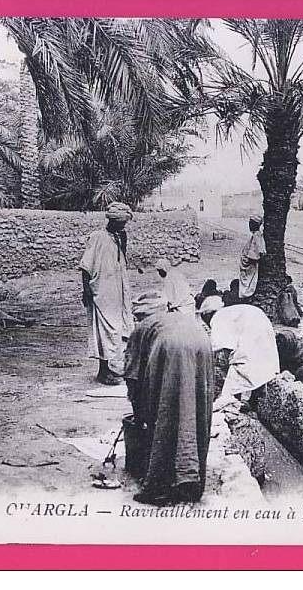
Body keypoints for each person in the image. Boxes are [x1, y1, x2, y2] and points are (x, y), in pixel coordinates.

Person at [124, 291, 215, 505]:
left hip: (172, 347)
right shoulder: (180, 316)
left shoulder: (142, 328)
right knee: (196, 412)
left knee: (166, 413)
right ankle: (192, 482)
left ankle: (157, 486)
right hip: (203, 342)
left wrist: (139, 414)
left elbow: (132, 375)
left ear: (139, 316)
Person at [79, 201, 135, 385]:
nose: (123, 226)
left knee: (117, 328)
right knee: (103, 331)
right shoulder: (97, 237)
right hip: (101, 291)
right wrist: (86, 289)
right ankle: (102, 372)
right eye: (121, 223)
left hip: (116, 291)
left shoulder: (118, 237)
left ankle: (110, 367)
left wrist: (123, 240)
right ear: (112, 221)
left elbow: (121, 260)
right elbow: (86, 266)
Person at [199, 296, 280, 409]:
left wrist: (226, 366)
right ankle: (254, 401)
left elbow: (224, 346)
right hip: (262, 329)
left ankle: (234, 402)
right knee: (260, 364)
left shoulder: (217, 318)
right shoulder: (231, 312)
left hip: (253, 332)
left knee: (238, 366)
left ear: (207, 315)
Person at [238, 213, 266, 299]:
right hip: (248, 267)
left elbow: (256, 254)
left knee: (247, 287)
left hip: (250, 268)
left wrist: (246, 258)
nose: (249, 225)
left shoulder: (257, 236)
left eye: (251, 223)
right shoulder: (255, 236)